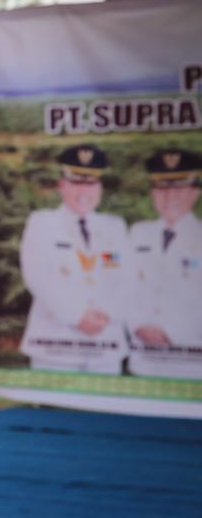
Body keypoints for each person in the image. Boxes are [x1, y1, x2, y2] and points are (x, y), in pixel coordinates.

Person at [18, 144, 128, 373]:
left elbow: (128, 279)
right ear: (62, 186)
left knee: (104, 408)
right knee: (52, 409)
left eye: (90, 184)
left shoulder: (115, 227)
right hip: (54, 346)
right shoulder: (42, 223)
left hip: (105, 344)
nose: (83, 192)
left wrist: (104, 314)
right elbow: (37, 277)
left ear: (99, 188)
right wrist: (77, 316)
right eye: (76, 183)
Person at [126, 149, 202, 378]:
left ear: (194, 193)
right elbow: (118, 284)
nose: (170, 197)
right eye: (162, 189)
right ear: (152, 193)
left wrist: (170, 333)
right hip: (142, 357)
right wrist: (137, 325)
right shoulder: (136, 234)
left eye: (178, 188)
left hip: (191, 361)